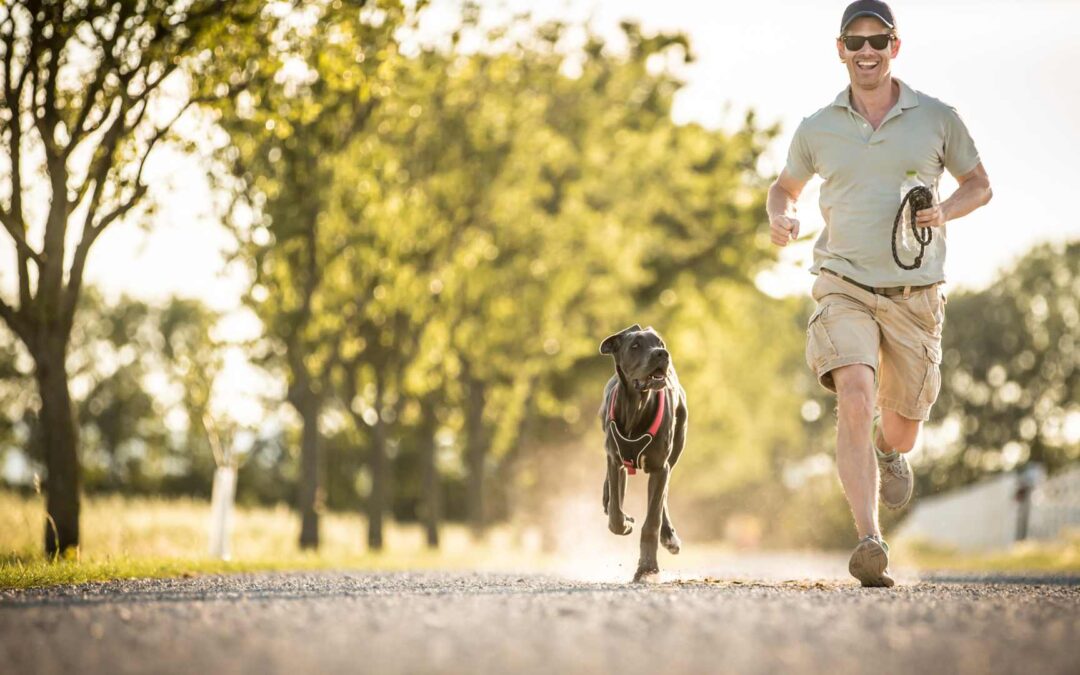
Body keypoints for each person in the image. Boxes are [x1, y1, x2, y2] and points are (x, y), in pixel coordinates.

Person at [766, 0, 992, 587]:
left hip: (916, 297)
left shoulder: (937, 118)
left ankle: (891, 455)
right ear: (840, 48)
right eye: (855, 41)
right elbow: (783, 187)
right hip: (842, 285)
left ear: (895, 46)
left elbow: (980, 186)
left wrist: (943, 211)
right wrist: (782, 216)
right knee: (856, 393)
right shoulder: (817, 127)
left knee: (901, 426)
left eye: (877, 40)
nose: (866, 52)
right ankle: (870, 540)